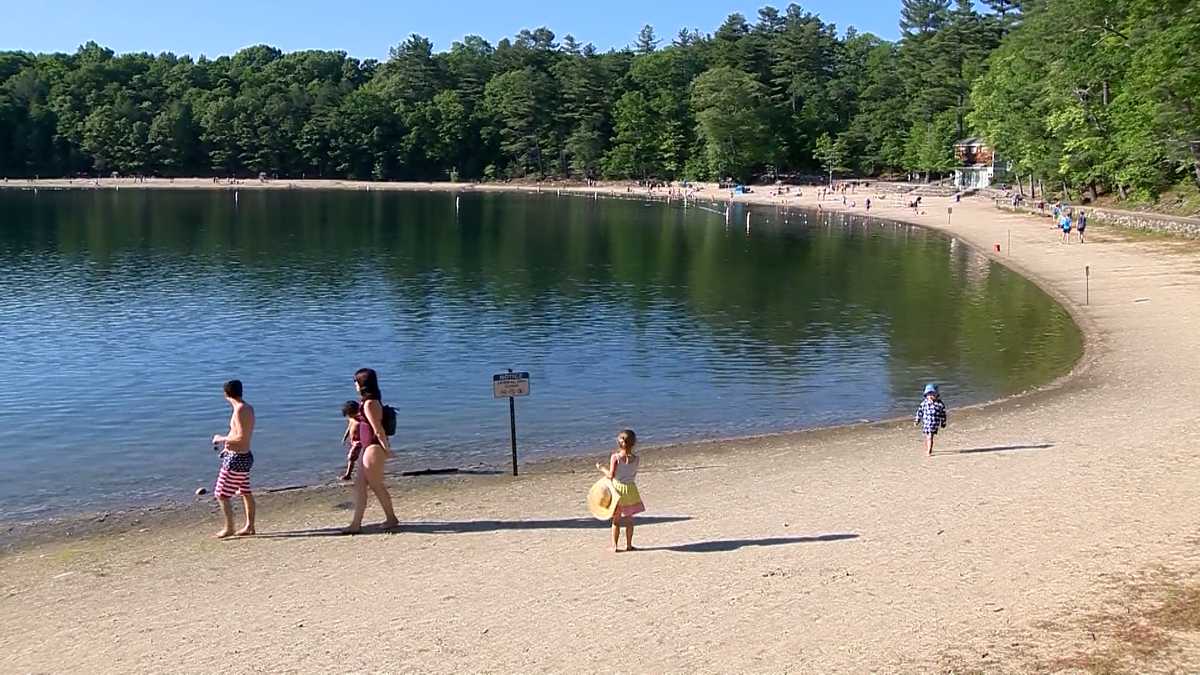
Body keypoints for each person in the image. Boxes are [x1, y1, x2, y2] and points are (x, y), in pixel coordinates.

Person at [345, 368, 398, 534]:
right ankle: (355, 524)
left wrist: (387, 449)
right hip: (368, 447)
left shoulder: (370, 403)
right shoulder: (365, 402)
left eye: (356, 381)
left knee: (376, 485)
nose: (354, 384)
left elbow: (378, 430)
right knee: (360, 486)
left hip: (374, 447)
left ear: (362, 384)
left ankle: (391, 518)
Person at [211, 379, 256, 538]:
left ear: (226, 394)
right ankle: (250, 526)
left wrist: (221, 439)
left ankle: (229, 528)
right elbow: (238, 433)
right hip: (241, 456)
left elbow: (241, 438)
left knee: (221, 494)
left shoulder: (240, 410)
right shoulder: (246, 408)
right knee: (245, 491)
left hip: (237, 459)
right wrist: (226, 448)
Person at [595, 429, 645, 552]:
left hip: (617, 489)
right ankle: (629, 545)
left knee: (616, 520)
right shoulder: (636, 459)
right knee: (629, 519)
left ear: (619, 443)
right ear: (634, 443)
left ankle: (614, 546)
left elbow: (611, 475)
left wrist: (601, 468)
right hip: (631, 489)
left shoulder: (615, 457)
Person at [914, 383, 947, 457]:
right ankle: (928, 448)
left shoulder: (939, 404)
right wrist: (917, 420)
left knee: (930, 436)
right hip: (926, 423)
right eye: (929, 394)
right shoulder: (924, 403)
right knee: (927, 436)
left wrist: (943, 422)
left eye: (932, 394)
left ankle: (929, 451)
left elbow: (943, 414)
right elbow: (920, 412)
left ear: (936, 394)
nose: (930, 396)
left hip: (934, 424)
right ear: (926, 395)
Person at [340, 400, 363, 481]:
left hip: (359, 443)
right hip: (353, 441)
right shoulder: (351, 419)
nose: (349, 416)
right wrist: (345, 437)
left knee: (351, 458)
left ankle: (348, 474)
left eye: (349, 414)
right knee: (356, 458)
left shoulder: (360, 421)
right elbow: (349, 428)